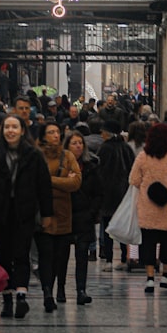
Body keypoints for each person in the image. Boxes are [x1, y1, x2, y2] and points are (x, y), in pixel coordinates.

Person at [0, 115, 54, 319]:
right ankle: (7, 297)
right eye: (7, 127)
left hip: (24, 211)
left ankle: (21, 294)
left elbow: (43, 186)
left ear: (21, 130)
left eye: (15, 127)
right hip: (0, 212)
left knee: (21, 253)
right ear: (2, 130)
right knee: (3, 255)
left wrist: (46, 213)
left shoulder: (33, 155)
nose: (11, 131)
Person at [129, 123, 167, 293]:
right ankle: (165, 276)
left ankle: (150, 278)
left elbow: (134, 180)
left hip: (147, 206)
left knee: (148, 242)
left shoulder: (143, 156)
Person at [36, 121, 81, 312]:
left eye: (57, 132)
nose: (55, 135)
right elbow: (33, 181)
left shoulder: (68, 155)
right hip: (43, 213)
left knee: (61, 255)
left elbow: (76, 182)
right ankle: (47, 291)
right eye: (51, 132)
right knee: (46, 255)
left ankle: (60, 287)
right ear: (44, 136)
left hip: (64, 213)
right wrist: (62, 180)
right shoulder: (37, 156)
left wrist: (48, 180)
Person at [65, 129, 101, 304]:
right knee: (61, 255)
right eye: (74, 143)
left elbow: (98, 192)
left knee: (82, 254)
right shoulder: (61, 166)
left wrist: (93, 213)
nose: (78, 146)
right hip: (65, 215)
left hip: (84, 216)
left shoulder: (92, 166)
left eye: (80, 143)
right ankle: (60, 290)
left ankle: (81, 289)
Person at [96, 119, 134, 271]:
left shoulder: (104, 148)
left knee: (108, 228)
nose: (101, 134)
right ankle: (125, 258)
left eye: (103, 131)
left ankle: (109, 260)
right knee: (122, 227)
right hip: (123, 194)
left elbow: (98, 170)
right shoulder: (126, 148)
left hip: (107, 194)